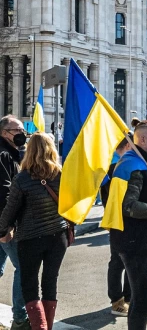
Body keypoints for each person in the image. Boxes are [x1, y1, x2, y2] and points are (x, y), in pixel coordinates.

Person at [0, 132, 71, 330]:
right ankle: (47, 325)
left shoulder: (22, 178)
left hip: (30, 238)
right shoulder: (61, 175)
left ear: (29, 151)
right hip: (58, 236)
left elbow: (10, 210)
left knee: (29, 285)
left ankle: (39, 327)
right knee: (50, 282)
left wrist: (2, 230)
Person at [108, 121, 147, 329]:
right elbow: (129, 206)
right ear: (143, 140)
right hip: (135, 244)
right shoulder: (131, 166)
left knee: (142, 299)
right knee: (142, 301)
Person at [0, 115, 29, 330]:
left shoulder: (12, 153)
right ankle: (19, 319)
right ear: (4, 133)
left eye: (22, 130)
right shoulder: (3, 155)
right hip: (5, 224)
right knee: (24, 267)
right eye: (16, 130)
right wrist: (5, 227)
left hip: (4, 222)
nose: (21, 134)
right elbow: (4, 193)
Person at [101, 135, 133, 317]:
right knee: (118, 262)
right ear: (128, 145)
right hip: (117, 220)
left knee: (129, 262)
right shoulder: (113, 166)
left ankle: (128, 298)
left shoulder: (121, 164)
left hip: (126, 220)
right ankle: (117, 301)